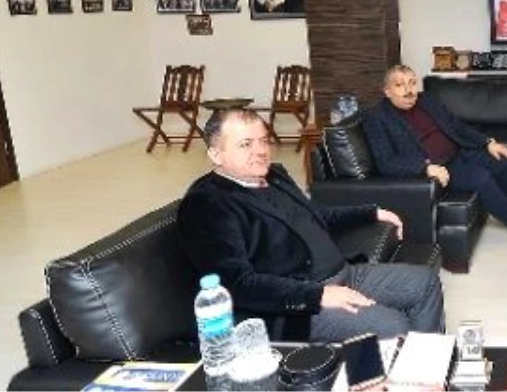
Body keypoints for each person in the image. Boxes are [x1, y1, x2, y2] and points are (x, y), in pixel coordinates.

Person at [177, 109, 444, 342]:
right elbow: (239, 284)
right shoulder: (207, 204)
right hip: (300, 306)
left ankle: (425, 368)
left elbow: (314, 215)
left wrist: (370, 213)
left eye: (263, 140)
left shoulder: (274, 175)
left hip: (345, 274)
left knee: (425, 282)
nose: (260, 151)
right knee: (392, 325)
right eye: (245, 144)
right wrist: (318, 295)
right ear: (216, 154)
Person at [363, 65, 507, 241]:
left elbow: (456, 126)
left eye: (412, 83)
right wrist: (424, 168)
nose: (409, 91)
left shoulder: (427, 100)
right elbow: (386, 161)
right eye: (399, 85)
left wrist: (488, 143)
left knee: (503, 162)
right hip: (441, 167)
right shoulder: (376, 117)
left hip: (461, 151)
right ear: (387, 91)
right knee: (481, 178)